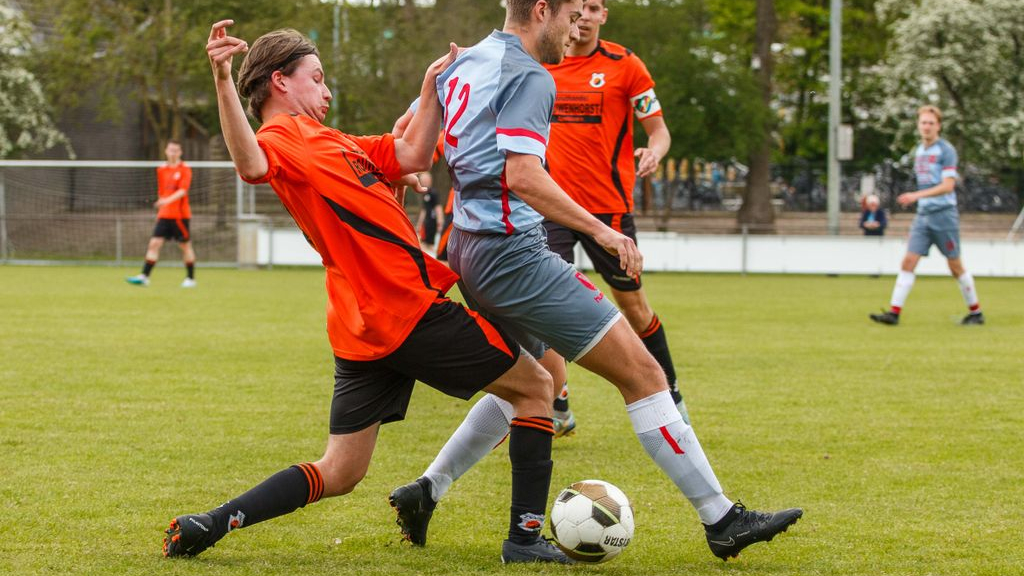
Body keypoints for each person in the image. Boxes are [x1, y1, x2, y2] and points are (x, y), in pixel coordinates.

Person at [388, 0, 802, 562]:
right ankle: (721, 518)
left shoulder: (463, 61)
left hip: (466, 247)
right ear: (542, 9)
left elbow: (404, 131)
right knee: (644, 373)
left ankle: (426, 489)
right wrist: (602, 234)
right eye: (571, 13)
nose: (578, 25)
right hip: (515, 256)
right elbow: (525, 176)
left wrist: (414, 171)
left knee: (528, 382)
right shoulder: (531, 75)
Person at [164, 21, 570, 565]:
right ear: (281, 83)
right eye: (317, 77)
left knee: (340, 471)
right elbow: (250, 164)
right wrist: (220, 76)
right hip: (405, 309)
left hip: (362, 326)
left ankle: (209, 524)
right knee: (539, 386)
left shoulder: (333, 141)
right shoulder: (278, 139)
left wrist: (432, 89)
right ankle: (523, 541)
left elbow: (411, 154)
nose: (327, 90)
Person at [541, 0, 688, 433]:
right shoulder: (540, 62)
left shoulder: (626, 65)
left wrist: (654, 153)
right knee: (543, 306)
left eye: (594, 7)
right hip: (551, 208)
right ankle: (557, 400)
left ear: (604, 15)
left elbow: (658, 131)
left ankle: (671, 395)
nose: (584, 15)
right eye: (578, 6)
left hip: (610, 211)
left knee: (634, 306)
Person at [870, 105, 984, 326]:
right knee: (908, 261)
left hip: (943, 215)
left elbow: (948, 186)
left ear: (938, 126)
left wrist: (916, 195)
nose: (927, 127)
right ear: (918, 125)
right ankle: (893, 313)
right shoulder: (919, 151)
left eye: (931, 123)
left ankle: (976, 312)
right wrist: (918, 199)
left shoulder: (946, 150)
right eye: (923, 122)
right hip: (923, 216)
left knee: (955, 266)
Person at [125, 140, 197, 288]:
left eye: (176, 150)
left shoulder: (185, 169)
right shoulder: (161, 169)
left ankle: (190, 279)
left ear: (180, 152)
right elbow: (163, 191)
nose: (173, 153)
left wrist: (166, 201)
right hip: (164, 215)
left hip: (180, 216)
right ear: (166, 151)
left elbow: (183, 191)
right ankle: (144, 276)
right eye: (170, 150)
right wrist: (162, 203)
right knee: (154, 244)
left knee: (185, 246)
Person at [413, 171, 444, 251]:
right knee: (423, 242)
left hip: (432, 222)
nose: (424, 182)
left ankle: (432, 259)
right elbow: (424, 210)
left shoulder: (433, 193)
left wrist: (440, 222)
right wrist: (419, 224)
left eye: (426, 180)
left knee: (429, 244)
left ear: (430, 180)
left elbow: (438, 207)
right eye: (422, 180)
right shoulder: (425, 193)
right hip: (426, 223)